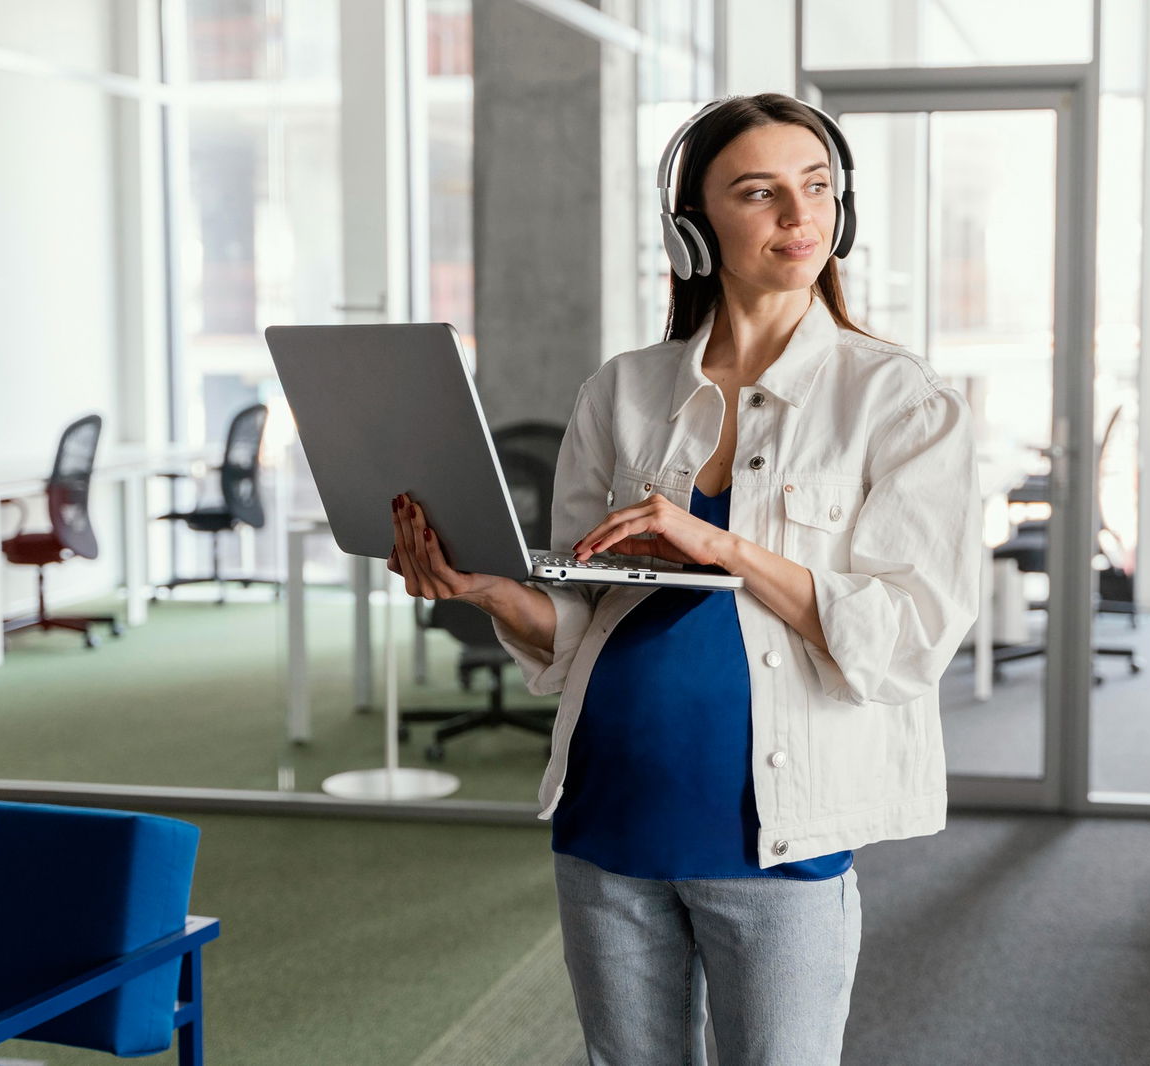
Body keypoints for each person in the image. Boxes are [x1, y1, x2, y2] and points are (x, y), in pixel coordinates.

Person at [385, 92, 981, 1066]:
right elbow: (580, 620)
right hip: (607, 814)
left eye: (818, 187)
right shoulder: (622, 391)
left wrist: (727, 549)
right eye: (760, 192)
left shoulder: (895, 399)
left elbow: (910, 634)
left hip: (775, 832)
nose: (800, 216)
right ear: (692, 230)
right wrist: (487, 590)